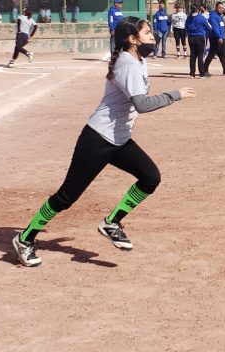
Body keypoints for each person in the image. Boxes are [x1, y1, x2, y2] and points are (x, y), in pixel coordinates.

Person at [11, 18, 196, 267]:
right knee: (67, 196)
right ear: (132, 39)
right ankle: (25, 238)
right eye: (147, 32)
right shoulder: (128, 64)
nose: (152, 36)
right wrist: (174, 95)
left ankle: (111, 222)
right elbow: (141, 105)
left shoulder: (137, 61)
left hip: (119, 139)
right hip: (98, 139)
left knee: (150, 177)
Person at [204, 2, 225, 76]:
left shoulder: (219, 16)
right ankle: (204, 70)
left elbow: (221, 27)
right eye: (220, 8)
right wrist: (219, 37)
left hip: (222, 38)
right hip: (216, 39)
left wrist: (223, 36)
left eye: (222, 8)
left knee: (223, 55)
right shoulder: (213, 16)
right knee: (211, 54)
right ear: (216, 8)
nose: (222, 9)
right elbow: (215, 28)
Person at [185, 5, 211, 78]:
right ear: (197, 10)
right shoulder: (201, 17)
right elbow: (208, 27)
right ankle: (201, 74)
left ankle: (192, 73)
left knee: (193, 55)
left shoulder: (189, 18)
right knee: (200, 55)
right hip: (200, 37)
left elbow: (186, 28)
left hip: (191, 38)